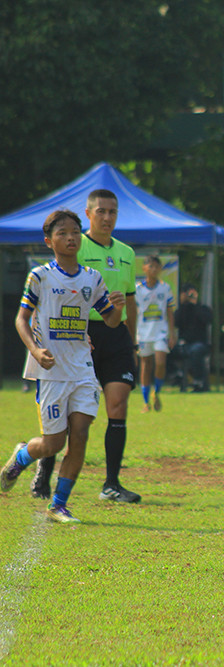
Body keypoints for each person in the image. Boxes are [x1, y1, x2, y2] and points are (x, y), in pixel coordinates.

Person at [1, 210, 125, 523]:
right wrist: (35, 349)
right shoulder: (40, 276)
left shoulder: (92, 278)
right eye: (62, 233)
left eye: (75, 232)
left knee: (80, 434)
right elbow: (21, 319)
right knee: (53, 443)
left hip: (82, 369)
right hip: (51, 372)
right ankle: (21, 457)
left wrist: (116, 311)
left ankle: (59, 504)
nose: (70, 238)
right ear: (49, 241)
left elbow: (109, 319)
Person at [31, 189, 142, 503]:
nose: (107, 217)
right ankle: (45, 468)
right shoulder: (75, 245)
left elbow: (129, 302)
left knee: (118, 405)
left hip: (115, 332)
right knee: (68, 413)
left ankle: (111, 484)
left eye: (113, 212)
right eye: (102, 211)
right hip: (79, 335)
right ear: (89, 213)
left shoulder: (127, 253)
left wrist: (131, 340)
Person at [135, 255, 177, 411]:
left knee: (160, 363)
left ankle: (156, 392)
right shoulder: (138, 288)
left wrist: (172, 333)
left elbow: (169, 310)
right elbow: (133, 311)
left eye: (157, 267)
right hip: (144, 332)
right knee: (145, 366)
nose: (154, 270)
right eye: (150, 266)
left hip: (160, 332)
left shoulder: (165, 288)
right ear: (144, 268)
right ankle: (146, 402)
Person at [173, 284, 213, 392]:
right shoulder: (181, 310)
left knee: (196, 351)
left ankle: (198, 382)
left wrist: (195, 304)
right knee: (163, 349)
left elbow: (207, 319)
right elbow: (175, 322)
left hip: (200, 343)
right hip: (184, 343)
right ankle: (177, 374)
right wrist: (183, 304)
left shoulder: (202, 308)